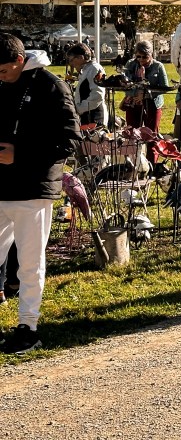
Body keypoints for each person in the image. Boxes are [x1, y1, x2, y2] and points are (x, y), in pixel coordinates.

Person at [0, 34, 82, 353]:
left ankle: (28, 326)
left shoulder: (51, 85)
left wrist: (20, 154)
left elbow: (69, 140)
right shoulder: (3, 81)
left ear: (20, 61)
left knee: (30, 261)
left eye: (4, 71)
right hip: (2, 185)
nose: (0, 77)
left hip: (34, 188)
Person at [120, 40, 171, 133]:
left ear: (151, 54)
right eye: (138, 56)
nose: (141, 59)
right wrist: (135, 93)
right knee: (132, 133)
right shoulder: (130, 64)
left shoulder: (158, 66)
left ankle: (151, 148)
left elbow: (164, 87)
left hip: (153, 104)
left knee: (151, 134)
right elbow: (123, 84)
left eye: (144, 56)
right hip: (133, 104)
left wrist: (145, 95)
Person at [66, 42, 107, 128]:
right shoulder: (86, 70)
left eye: (71, 60)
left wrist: (79, 109)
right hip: (87, 115)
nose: (71, 64)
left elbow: (97, 95)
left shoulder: (95, 69)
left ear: (81, 57)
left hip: (95, 117)